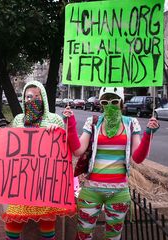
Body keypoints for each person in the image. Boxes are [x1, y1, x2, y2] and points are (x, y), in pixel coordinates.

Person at [63, 87, 159, 240]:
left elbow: (138, 158)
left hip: (118, 193)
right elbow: (78, 150)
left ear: (121, 102)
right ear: (100, 103)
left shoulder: (131, 123)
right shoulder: (93, 122)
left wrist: (148, 134)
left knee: (113, 237)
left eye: (114, 101)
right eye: (105, 101)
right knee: (83, 235)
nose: (109, 105)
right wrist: (70, 124)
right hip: (91, 190)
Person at [0, 81, 77, 240]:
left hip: (46, 183)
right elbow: (10, 145)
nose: (32, 100)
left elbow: (67, 149)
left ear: (43, 97)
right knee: (12, 225)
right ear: (23, 99)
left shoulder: (55, 119)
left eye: (37, 96)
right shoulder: (18, 120)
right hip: (21, 182)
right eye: (28, 96)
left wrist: (59, 131)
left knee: (47, 225)